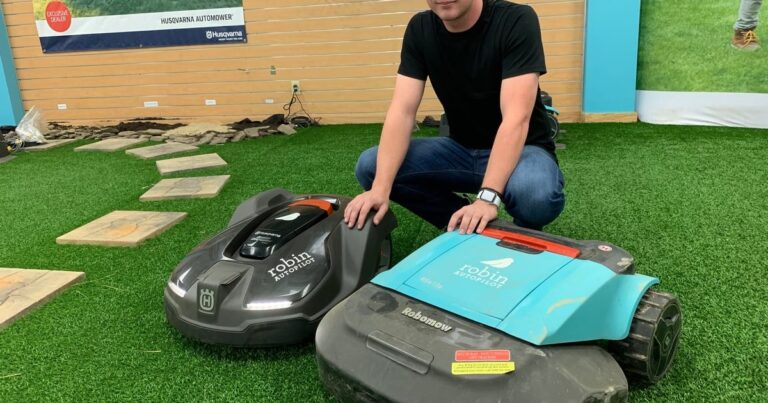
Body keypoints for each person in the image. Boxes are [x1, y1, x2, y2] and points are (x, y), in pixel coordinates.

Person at [344, 0, 564, 235]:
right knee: (371, 166)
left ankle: (523, 233)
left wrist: (488, 198)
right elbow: (402, 111)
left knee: (535, 194)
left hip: (523, 151)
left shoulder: (516, 20)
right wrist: (379, 188)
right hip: (461, 150)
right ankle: (460, 218)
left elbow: (516, 118)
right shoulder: (420, 28)